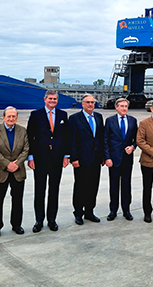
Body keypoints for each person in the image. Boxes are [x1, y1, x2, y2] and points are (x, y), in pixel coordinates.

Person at [27, 90, 70, 233]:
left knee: (54, 190)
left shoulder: (63, 115)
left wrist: (66, 156)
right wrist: (31, 157)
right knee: (39, 190)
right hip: (40, 159)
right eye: (50, 98)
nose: (53, 101)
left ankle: (52, 219)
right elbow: (30, 137)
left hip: (57, 159)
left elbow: (66, 137)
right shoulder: (35, 115)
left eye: (55, 99)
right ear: (45, 99)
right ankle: (39, 220)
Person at [0, 106, 29, 238]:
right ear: (4, 117)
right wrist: (7, 164)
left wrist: (16, 164)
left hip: (17, 171)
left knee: (17, 200)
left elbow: (26, 149)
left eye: (14, 116)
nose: (11, 119)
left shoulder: (22, 131)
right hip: (0, 171)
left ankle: (16, 224)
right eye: (9, 116)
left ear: (17, 117)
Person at [69, 94, 104, 225]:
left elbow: (100, 138)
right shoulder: (74, 119)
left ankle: (89, 211)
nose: (90, 105)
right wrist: (74, 158)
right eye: (88, 102)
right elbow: (71, 139)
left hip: (96, 159)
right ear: (82, 104)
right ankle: (78, 212)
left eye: (93, 102)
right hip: (81, 159)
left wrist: (102, 157)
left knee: (93, 185)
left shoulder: (99, 117)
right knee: (80, 186)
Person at [104, 98, 138, 221]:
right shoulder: (110, 121)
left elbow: (137, 139)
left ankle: (126, 210)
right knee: (114, 185)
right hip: (114, 159)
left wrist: (133, 147)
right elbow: (105, 140)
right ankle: (113, 210)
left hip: (127, 158)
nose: (124, 108)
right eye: (122, 106)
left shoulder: (133, 121)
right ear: (116, 107)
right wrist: (107, 157)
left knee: (126, 185)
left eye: (126, 106)